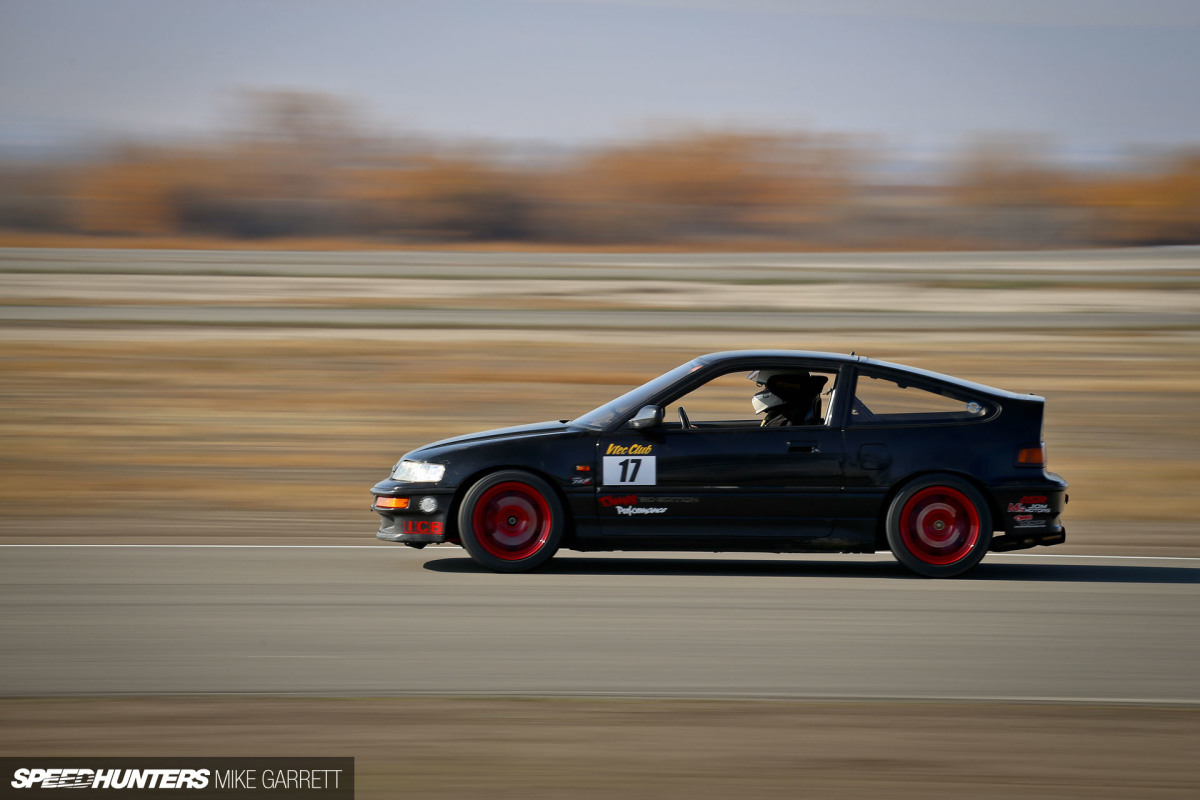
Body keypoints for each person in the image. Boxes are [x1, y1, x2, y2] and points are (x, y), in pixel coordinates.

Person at [749, 370, 828, 426]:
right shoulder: (783, 417)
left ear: (780, 390)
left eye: (766, 387)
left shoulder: (783, 423)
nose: (763, 390)